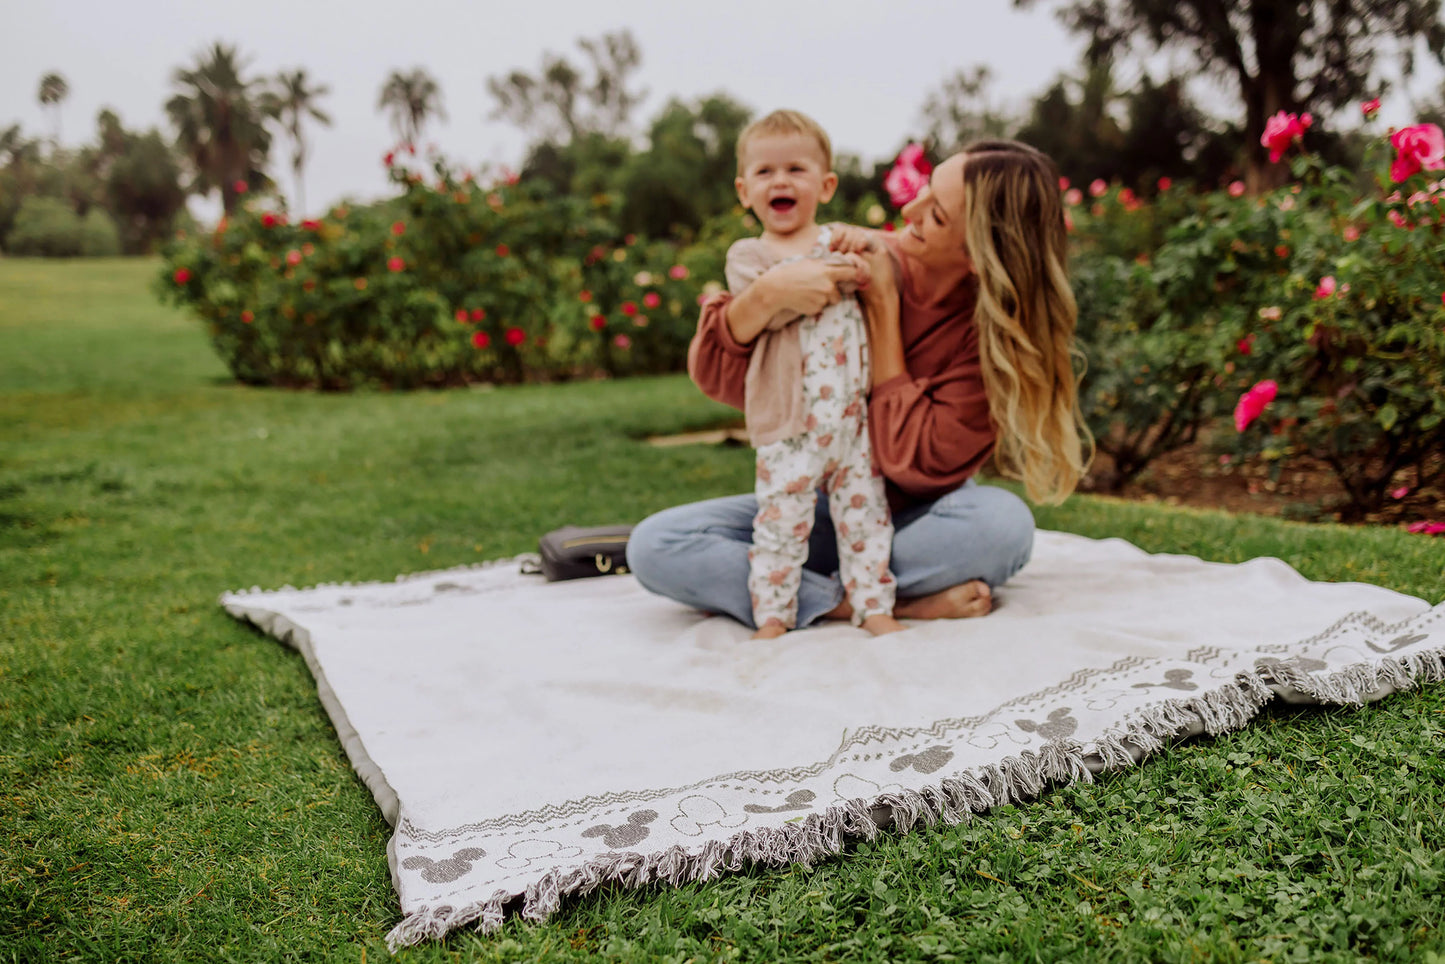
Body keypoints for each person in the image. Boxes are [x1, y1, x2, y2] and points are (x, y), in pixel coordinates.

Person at [629, 139, 1089, 632]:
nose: (909, 209)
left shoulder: (993, 348)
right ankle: (868, 603)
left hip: (915, 517)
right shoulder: (853, 258)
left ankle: (810, 592)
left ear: (979, 255)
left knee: (1003, 527)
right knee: (656, 545)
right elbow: (717, 379)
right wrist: (763, 298)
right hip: (815, 503)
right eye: (925, 190)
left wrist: (885, 310)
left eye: (935, 215)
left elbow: (906, 464)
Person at [724, 109, 905, 640]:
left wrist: (856, 262)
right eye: (764, 172)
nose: (780, 181)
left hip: (851, 420)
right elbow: (763, 304)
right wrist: (815, 280)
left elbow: (870, 270)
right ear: (744, 191)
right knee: (781, 521)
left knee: (867, 518)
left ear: (825, 185)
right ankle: (773, 617)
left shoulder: (836, 240)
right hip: (791, 422)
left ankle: (875, 607)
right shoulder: (749, 255)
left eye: (796, 170)